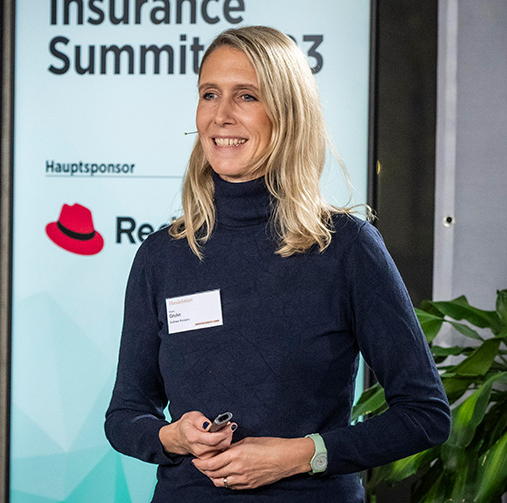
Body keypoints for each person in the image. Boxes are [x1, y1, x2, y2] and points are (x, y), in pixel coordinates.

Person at [104, 26, 451, 502]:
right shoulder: (162, 254)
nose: (221, 116)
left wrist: (303, 455)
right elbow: (125, 416)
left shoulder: (346, 247)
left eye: (246, 96)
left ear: (287, 113)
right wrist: (173, 436)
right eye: (209, 94)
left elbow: (425, 416)